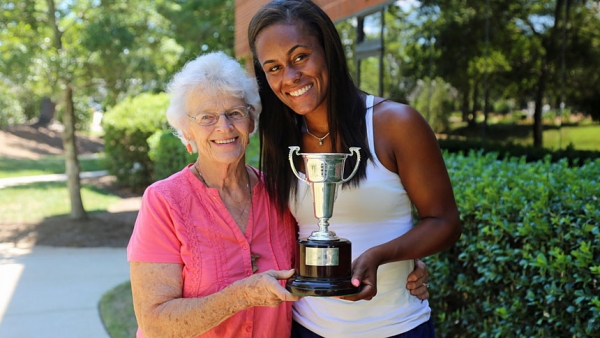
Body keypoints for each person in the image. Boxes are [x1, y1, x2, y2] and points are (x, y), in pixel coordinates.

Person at [248, 0, 462, 337]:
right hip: (308, 327)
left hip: (397, 327)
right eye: (273, 67)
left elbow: (445, 222)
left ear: (328, 50)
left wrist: (385, 254)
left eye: (300, 56)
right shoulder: (280, 141)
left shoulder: (394, 124)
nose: (290, 77)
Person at [127, 51, 300, 338]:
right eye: (207, 117)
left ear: (251, 121)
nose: (224, 127)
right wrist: (241, 296)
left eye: (235, 113)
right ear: (187, 130)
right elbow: (154, 323)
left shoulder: (280, 193)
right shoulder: (164, 201)